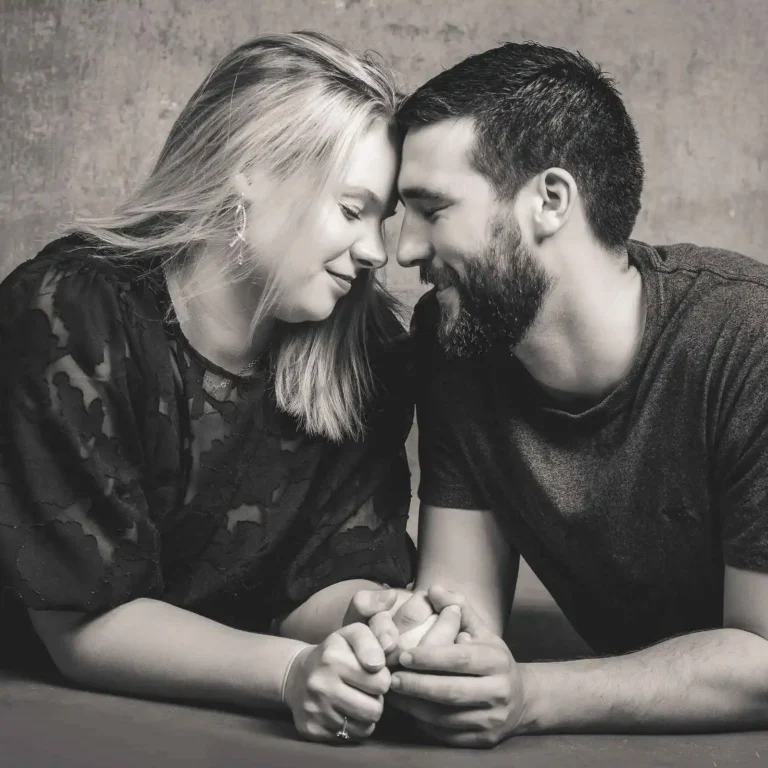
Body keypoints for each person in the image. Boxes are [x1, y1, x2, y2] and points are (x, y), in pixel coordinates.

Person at [0, 31, 416, 745]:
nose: (377, 250)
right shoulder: (67, 314)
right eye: (353, 211)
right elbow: (82, 626)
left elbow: (318, 584)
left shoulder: (366, 345)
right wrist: (290, 673)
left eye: (384, 219)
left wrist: (375, 623)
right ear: (248, 171)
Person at [351, 41, 768, 747]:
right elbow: (461, 608)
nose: (403, 252)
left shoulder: (746, 344)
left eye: (431, 209)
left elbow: (762, 657)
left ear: (548, 201)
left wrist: (533, 695)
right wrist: (416, 643)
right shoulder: (460, 339)